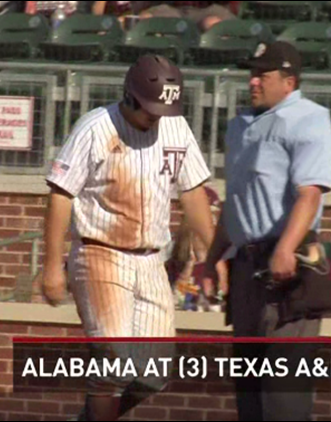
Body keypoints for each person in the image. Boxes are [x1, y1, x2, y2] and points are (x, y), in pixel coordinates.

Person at [41, 54, 214, 421]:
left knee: (154, 375)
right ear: (130, 96)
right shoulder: (95, 127)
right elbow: (60, 194)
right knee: (115, 362)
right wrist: (52, 266)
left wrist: (213, 254)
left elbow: (193, 192)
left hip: (152, 258)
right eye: (151, 108)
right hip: (100, 253)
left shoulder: (175, 126)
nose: (157, 116)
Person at [201, 41, 331, 421]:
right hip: (246, 268)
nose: (253, 81)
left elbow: (309, 194)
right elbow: (235, 201)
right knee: (249, 392)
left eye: (263, 74)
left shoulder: (309, 118)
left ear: (289, 81)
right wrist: (212, 260)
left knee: (283, 396)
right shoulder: (241, 124)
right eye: (252, 73)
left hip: (289, 267)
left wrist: (285, 248)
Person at [166, 185, 228, 312]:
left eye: (212, 217)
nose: (208, 224)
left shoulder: (225, 265)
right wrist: (186, 271)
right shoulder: (173, 265)